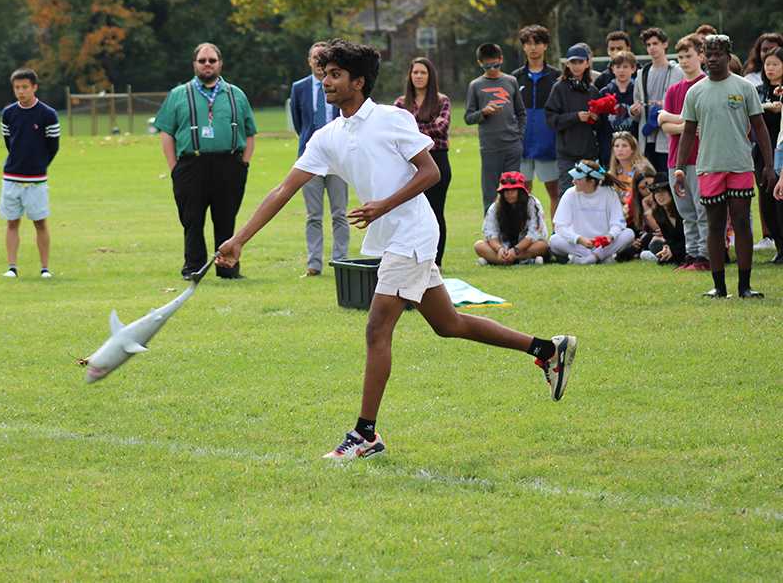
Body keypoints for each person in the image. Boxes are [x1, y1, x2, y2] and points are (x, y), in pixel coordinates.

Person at [214, 39, 577, 459]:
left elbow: (431, 172)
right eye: (324, 74)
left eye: (335, 75)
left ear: (358, 81)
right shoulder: (327, 135)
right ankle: (548, 350)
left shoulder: (391, 118)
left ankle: (365, 435)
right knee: (449, 324)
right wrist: (239, 239)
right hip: (392, 236)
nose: (326, 81)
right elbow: (283, 189)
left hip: (414, 231)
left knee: (376, 327)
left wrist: (383, 205)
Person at [674, 34, 778, 298]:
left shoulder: (744, 88)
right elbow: (687, 132)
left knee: (742, 222)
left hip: (740, 165)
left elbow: (759, 127)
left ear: (728, 56)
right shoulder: (695, 92)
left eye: (717, 54)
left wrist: (768, 165)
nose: (712, 59)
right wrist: (678, 168)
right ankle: (719, 286)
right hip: (708, 166)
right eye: (708, 54)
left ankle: (745, 286)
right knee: (715, 225)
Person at [157, 43, 257, 279]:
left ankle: (227, 268)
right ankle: (193, 268)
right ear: (194, 64)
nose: (207, 64)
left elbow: (250, 132)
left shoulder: (236, 94)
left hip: (229, 165)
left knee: (225, 219)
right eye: (202, 61)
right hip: (191, 165)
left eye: (212, 60)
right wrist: (175, 168)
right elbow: (166, 133)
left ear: (220, 63)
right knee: (192, 220)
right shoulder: (178, 95)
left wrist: (243, 164)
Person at [291, 41, 348, 276]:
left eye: (322, 58)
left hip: (338, 158)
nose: (318, 62)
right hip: (310, 157)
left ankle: (341, 261)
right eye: (314, 57)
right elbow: (298, 122)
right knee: (313, 215)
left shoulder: (339, 86)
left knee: (340, 213)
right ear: (309, 60)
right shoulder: (299, 87)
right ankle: (314, 264)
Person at [0, 68, 60, 279]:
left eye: (25, 87)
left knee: (40, 222)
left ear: (34, 87)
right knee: (12, 221)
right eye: (17, 88)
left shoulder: (48, 114)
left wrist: (39, 165)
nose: (21, 91)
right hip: (11, 177)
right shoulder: (8, 113)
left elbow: (53, 146)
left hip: (36, 180)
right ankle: (12, 267)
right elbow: (8, 142)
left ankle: (44, 268)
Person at [658, 33, 710, 271]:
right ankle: (691, 255)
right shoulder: (674, 90)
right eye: (679, 57)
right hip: (676, 159)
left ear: (701, 55)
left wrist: (671, 120)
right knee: (686, 211)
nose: (684, 61)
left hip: (701, 158)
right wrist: (686, 124)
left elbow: (704, 126)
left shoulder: (708, 86)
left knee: (702, 211)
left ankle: (705, 256)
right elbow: (665, 126)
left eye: (688, 56)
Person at [394, 57, 452, 266]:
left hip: (438, 161)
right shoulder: (400, 104)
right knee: (412, 214)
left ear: (430, 76)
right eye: (415, 72)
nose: (418, 76)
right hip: (410, 164)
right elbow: (396, 133)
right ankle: (413, 260)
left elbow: (441, 128)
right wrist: (423, 129)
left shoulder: (442, 101)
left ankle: (436, 262)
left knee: (436, 212)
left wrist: (412, 132)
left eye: (423, 72)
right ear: (410, 76)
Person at [464, 43, 527, 211]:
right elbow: (468, 118)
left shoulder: (511, 81)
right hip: (490, 147)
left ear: (501, 60)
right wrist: (483, 112)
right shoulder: (475, 85)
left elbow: (521, 113)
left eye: (496, 65)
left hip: (512, 146)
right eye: (488, 66)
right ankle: (491, 234)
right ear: (480, 63)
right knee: (490, 194)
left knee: (514, 192)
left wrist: (519, 136)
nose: (492, 69)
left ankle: (515, 233)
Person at [513, 24, 561, 220]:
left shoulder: (556, 76)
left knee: (555, 193)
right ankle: (525, 236)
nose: (533, 48)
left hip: (548, 144)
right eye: (528, 43)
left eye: (537, 43)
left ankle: (558, 237)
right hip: (522, 144)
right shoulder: (515, 78)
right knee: (521, 193)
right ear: (523, 47)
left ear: (546, 46)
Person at [545, 44, 605, 194]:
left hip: (589, 152)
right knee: (567, 194)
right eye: (573, 62)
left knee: (590, 192)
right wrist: (575, 117)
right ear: (567, 64)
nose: (577, 66)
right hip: (567, 154)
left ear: (587, 63)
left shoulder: (593, 90)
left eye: (580, 62)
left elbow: (600, 124)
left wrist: (595, 118)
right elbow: (551, 119)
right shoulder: (559, 88)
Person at [549, 161, 633, 264]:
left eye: (578, 179)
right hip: (579, 244)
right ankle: (600, 257)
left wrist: (609, 236)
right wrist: (579, 239)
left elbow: (618, 223)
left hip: (604, 244)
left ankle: (588, 258)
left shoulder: (609, 193)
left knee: (629, 234)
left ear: (592, 181)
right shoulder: (570, 194)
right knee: (554, 240)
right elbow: (559, 226)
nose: (573, 181)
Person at [632, 28, 684, 174]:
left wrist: (665, 105)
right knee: (650, 182)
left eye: (655, 43)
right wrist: (634, 110)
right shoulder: (642, 74)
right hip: (647, 136)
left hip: (669, 136)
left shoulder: (678, 72)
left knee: (669, 179)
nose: (652, 48)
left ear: (665, 44)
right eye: (648, 45)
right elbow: (636, 105)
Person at [473, 171, 549, 265]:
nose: (509, 194)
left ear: (521, 192)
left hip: (525, 247)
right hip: (503, 246)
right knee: (479, 246)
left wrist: (515, 250)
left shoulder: (533, 204)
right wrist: (499, 249)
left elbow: (533, 234)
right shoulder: (495, 207)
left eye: (513, 190)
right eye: (506, 191)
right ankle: (524, 261)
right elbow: (490, 233)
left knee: (542, 246)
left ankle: (496, 261)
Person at [756, 46, 783, 258]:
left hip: (780, 146)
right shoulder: (758, 90)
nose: (770, 68)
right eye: (767, 64)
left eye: (775, 64)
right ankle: (779, 245)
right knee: (766, 201)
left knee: (780, 200)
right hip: (763, 152)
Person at [640, 173, 687, 265]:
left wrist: (673, 249)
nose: (659, 196)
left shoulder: (682, 209)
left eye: (663, 191)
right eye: (656, 192)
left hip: (690, 245)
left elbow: (689, 237)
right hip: (676, 248)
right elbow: (669, 238)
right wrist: (667, 246)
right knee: (654, 246)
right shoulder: (658, 213)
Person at [608, 131, 653, 221]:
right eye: (616, 146)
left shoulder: (643, 170)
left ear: (633, 149)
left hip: (640, 212)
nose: (620, 149)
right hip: (618, 214)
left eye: (624, 146)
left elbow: (649, 196)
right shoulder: (611, 173)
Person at [600, 51, 639, 137]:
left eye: (625, 67)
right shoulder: (604, 92)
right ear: (612, 69)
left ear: (633, 69)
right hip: (610, 143)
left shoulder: (639, 92)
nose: (621, 70)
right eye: (618, 67)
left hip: (634, 143)